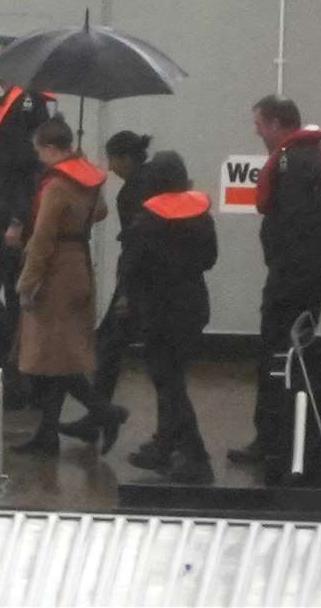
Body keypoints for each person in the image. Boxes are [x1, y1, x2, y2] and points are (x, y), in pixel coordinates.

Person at [228, 95, 321, 470]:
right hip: (311, 277)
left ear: (278, 124)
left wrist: (282, 273)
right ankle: (297, 440)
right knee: (298, 355)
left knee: (277, 358)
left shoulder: (289, 161)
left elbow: (291, 226)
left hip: (292, 280)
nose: (256, 130)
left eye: (260, 123)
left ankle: (274, 443)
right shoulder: (315, 156)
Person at [12, 117, 128, 457]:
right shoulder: (88, 179)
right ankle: (48, 434)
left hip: (55, 275)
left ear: (50, 148)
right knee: (57, 359)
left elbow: (42, 239)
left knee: (52, 359)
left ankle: (107, 413)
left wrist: (27, 283)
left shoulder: (57, 186)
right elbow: (101, 213)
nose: (37, 157)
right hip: (80, 265)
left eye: (38, 150)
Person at [121, 150, 219, 484]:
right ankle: (163, 445)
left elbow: (132, 269)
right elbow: (209, 259)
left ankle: (196, 456)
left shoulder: (146, 219)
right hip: (193, 306)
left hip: (158, 310)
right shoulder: (201, 214)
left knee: (168, 384)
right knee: (174, 376)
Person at [0, 36, 54, 396]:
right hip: (4, 216)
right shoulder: (17, 102)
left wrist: (17, 222)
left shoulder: (24, 103)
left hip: (11, 223)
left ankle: (11, 357)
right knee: (5, 292)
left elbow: (26, 170)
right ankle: (18, 371)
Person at [59, 129, 151, 445]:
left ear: (125, 158)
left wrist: (125, 291)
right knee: (110, 347)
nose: (110, 167)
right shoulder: (151, 182)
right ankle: (99, 416)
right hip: (152, 281)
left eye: (112, 159)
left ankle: (102, 417)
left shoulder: (131, 194)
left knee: (109, 347)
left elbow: (135, 245)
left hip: (136, 282)